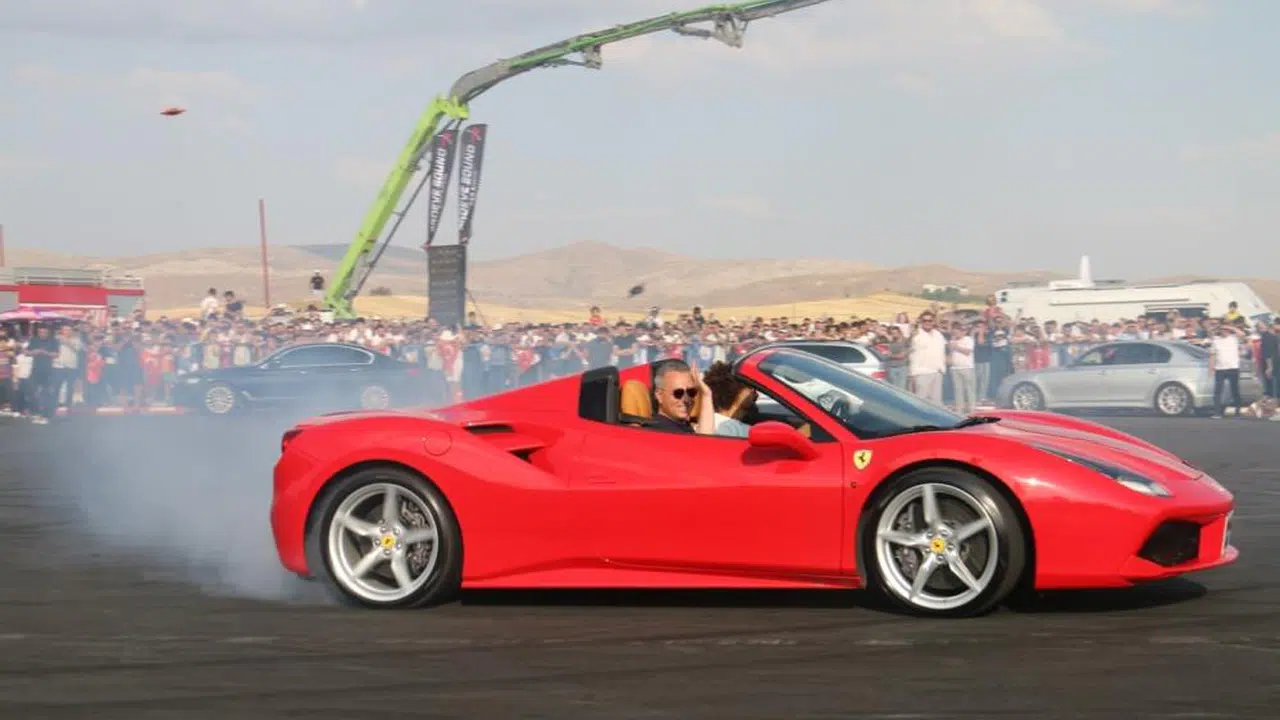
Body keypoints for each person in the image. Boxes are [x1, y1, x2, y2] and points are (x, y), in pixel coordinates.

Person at [650, 359, 715, 435]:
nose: (686, 399)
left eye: (691, 392)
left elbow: (704, 438)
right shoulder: (659, 431)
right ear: (659, 395)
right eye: (678, 393)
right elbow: (703, 441)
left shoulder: (681, 425)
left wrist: (706, 394)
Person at [701, 361, 757, 438]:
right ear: (735, 391)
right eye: (750, 387)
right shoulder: (743, 431)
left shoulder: (705, 423)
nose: (754, 392)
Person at [1209, 322, 1243, 418]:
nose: (1224, 331)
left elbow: (1242, 334)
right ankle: (1217, 412)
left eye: (1226, 330)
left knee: (1235, 390)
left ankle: (1237, 411)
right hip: (1220, 368)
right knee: (1217, 391)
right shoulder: (1216, 340)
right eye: (1223, 330)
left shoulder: (1234, 338)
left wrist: (1229, 327)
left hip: (1233, 367)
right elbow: (1212, 355)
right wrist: (1211, 368)